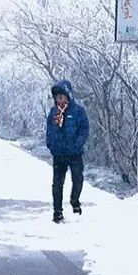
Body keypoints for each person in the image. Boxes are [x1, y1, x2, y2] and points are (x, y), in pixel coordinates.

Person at [46, 78, 90, 223]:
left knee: (78, 178)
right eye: (57, 97)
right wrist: (50, 144)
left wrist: (78, 144)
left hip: (74, 153)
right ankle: (57, 211)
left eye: (62, 96)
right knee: (57, 183)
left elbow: (84, 129)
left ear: (68, 96)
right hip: (58, 153)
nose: (59, 100)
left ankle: (74, 200)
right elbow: (49, 130)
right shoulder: (53, 112)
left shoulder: (78, 111)